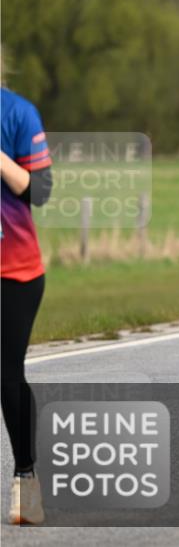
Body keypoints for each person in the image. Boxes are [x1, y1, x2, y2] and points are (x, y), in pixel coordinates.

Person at [2, 85, 54, 525]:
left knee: (5, 372)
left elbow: (39, 191)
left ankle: (25, 478)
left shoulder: (18, 113)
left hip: (13, 270)